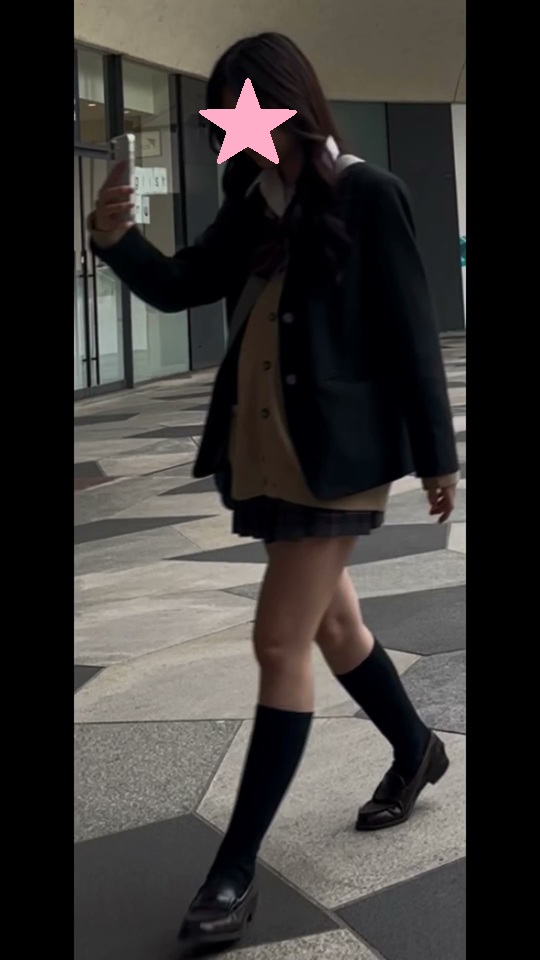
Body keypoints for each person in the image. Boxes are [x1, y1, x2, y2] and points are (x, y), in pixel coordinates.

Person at [89, 32, 459, 954]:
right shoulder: (253, 203)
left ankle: (234, 869)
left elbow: (411, 328)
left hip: (337, 455)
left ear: (284, 104)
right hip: (265, 452)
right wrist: (116, 241)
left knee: (278, 640)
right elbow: (183, 285)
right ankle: (416, 749)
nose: (231, 132)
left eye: (240, 111)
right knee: (333, 626)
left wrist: (437, 457)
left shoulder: (370, 193)